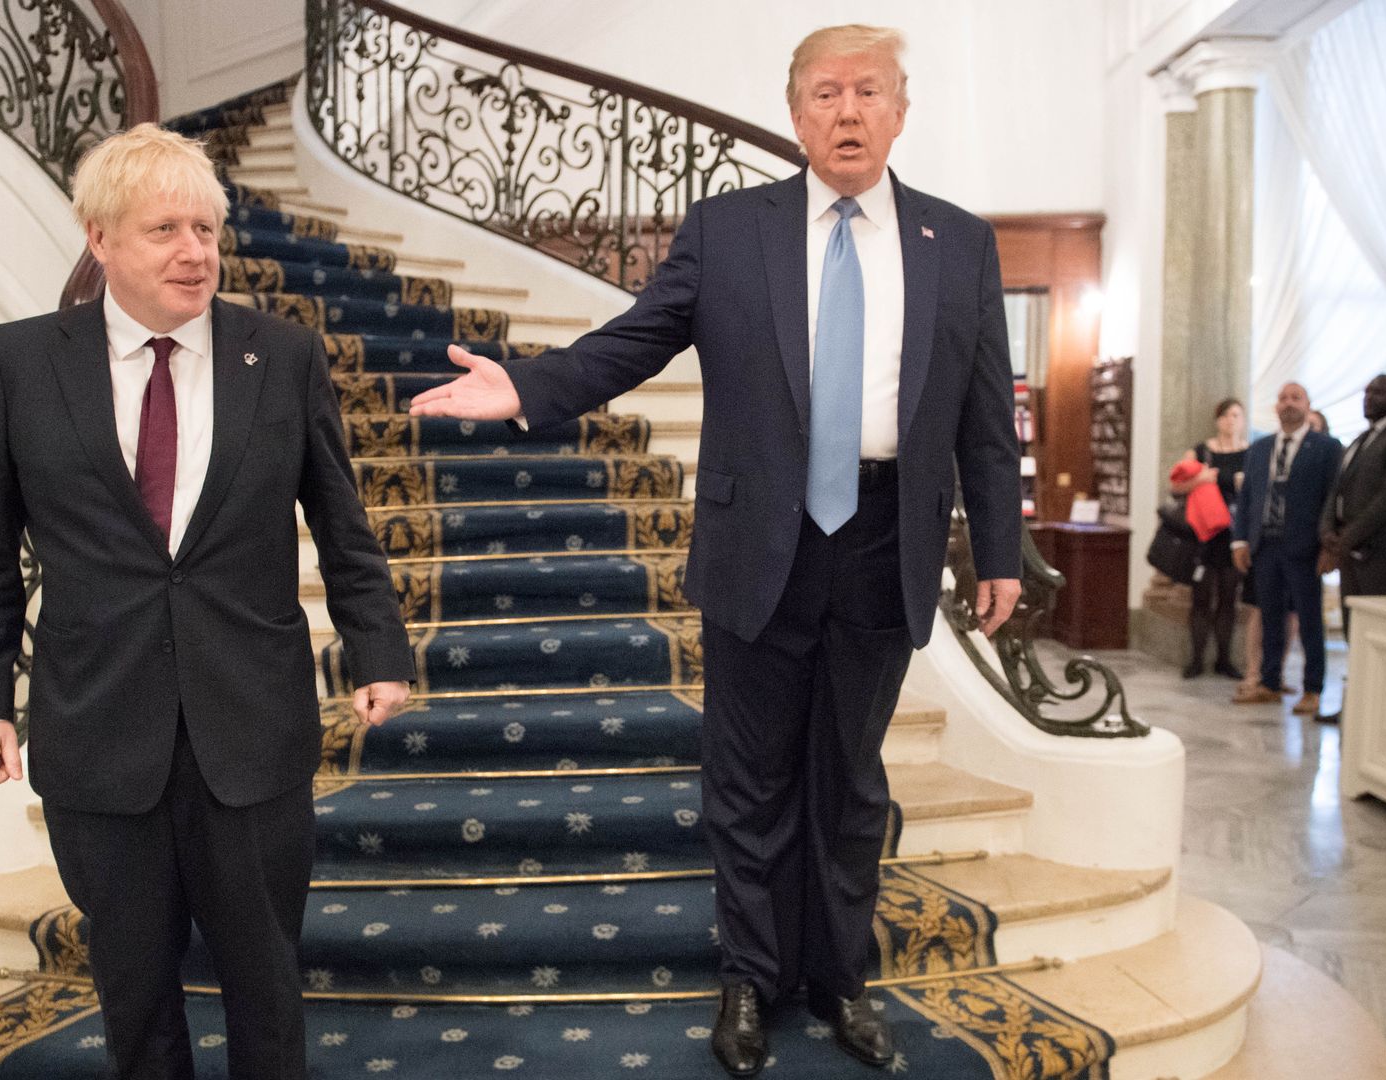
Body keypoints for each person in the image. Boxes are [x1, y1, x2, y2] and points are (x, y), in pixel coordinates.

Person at [406, 24, 1021, 1077]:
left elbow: (982, 418)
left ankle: (839, 978)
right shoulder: (732, 230)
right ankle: (747, 975)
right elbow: (636, 339)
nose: (846, 111)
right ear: (795, 114)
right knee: (746, 778)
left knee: (849, 781)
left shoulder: (957, 243)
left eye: (868, 91)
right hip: (760, 545)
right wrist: (529, 386)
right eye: (825, 93)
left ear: (902, 110)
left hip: (887, 543)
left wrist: (999, 547)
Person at [0, 124, 413, 1080]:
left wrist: (380, 650)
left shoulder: (279, 356)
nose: (194, 252)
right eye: (164, 229)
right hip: (98, 733)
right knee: (134, 992)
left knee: (266, 984)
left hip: (251, 728)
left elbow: (342, 522)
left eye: (205, 227)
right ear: (100, 237)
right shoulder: (18, 363)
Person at [1231, 382, 1342, 715]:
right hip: (1265, 546)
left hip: (1305, 547)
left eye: (1296, 398)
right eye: (1283, 398)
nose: (1288, 403)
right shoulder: (1261, 447)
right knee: (1270, 618)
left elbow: (1334, 498)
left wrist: (1329, 546)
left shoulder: (1326, 447)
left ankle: (1312, 689)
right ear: (1275, 407)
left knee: (1309, 620)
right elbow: (1248, 497)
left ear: (1308, 406)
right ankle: (1269, 682)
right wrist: (1240, 540)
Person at [1317, 374, 1386, 725]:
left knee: (1374, 637)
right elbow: (1336, 491)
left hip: (1377, 556)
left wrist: (1349, 536)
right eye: (1367, 391)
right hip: (1351, 554)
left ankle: (1375, 713)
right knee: (1355, 633)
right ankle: (1354, 705)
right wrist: (1327, 531)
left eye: (1379, 391)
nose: (1369, 397)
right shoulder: (1361, 438)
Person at [1172, 398, 1248, 680]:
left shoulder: (1250, 453)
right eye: (1226, 415)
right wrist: (1202, 481)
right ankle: (1196, 658)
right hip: (1203, 535)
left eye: (1236, 415)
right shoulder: (1202, 451)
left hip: (1233, 534)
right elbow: (1176, 484)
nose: (1231, 420)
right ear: (1217, 419)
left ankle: (1225, 659)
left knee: (1229, 596)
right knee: (1201, 596)